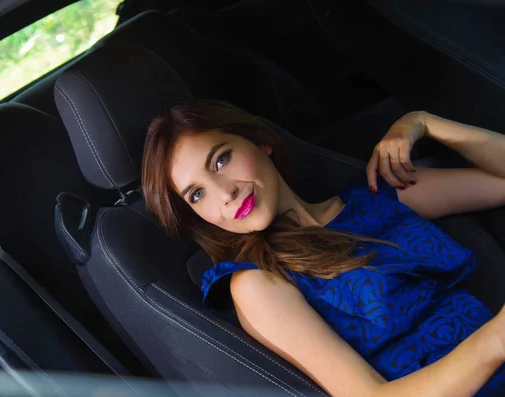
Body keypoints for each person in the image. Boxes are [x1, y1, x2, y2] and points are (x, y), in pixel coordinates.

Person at [141, 99, 505, 397]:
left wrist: (422, 122)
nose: (224, 193)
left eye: (221, 160)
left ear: (260, 142)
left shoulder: (376, 199)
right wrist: (495, 341)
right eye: (197, 194)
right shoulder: (258, 283)